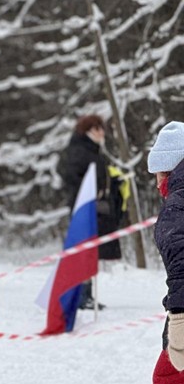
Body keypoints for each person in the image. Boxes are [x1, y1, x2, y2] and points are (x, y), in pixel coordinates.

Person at [138, 121, 184, 384]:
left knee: (169, 381)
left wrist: (180, 317)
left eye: (160, 173)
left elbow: (183, 268)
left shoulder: (177, 207)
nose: (157, 184)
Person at [59, 114, 120, 310]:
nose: (101, 133)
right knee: (83, 251)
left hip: (96, 208)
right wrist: (91, 191)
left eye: (102, 128)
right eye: (97, 129)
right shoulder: (79, 152)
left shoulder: (93, 151)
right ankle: (80, 295)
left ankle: (86, 294)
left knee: (91, 251)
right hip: (84, 208)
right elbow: (71, 178)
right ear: (87, 131)